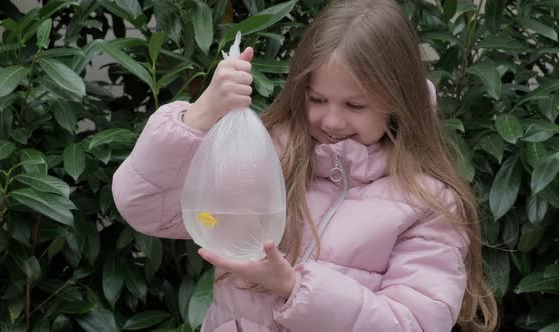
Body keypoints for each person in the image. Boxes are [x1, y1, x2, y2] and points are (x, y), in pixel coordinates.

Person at [112, 0, 499, 331]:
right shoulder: (266, 157)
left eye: (355, 105)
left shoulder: (426, 202)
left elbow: (415, 323)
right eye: (317, 99)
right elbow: (146, 207)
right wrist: (199, 117)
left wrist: (294, 287)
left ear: (398, 99)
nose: (331, 121)